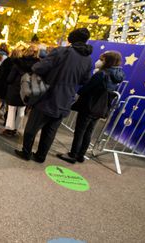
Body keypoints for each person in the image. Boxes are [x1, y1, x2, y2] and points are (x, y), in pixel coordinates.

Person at [15, 28, 93, 163]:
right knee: (50, 131)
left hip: (48, 95)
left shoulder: (62, 52)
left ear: (71, 38)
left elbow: (39, 67)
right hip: (66, 99)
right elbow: (85, 80)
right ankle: (41, 156)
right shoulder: (87, 60)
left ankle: (26, 152)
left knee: (32, 127)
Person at [58, 51, 125, 163]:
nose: (100, 61)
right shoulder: (117, 75)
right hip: (100, 108)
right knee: (88, 132)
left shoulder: (101, 74)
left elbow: (86, 88)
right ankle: (80, 155)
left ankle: (72, 155)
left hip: (89, 106)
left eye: (102, 59)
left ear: (107, 61)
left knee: (80, 131)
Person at [3, 44, 40, 136]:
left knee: (12, 109)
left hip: (15, 88)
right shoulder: (38, 65)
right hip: (27, 89)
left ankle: (9, 128)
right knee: (21, 110)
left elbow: (10, 78)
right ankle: (17, 128)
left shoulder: (19, 62)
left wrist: (9, 82)